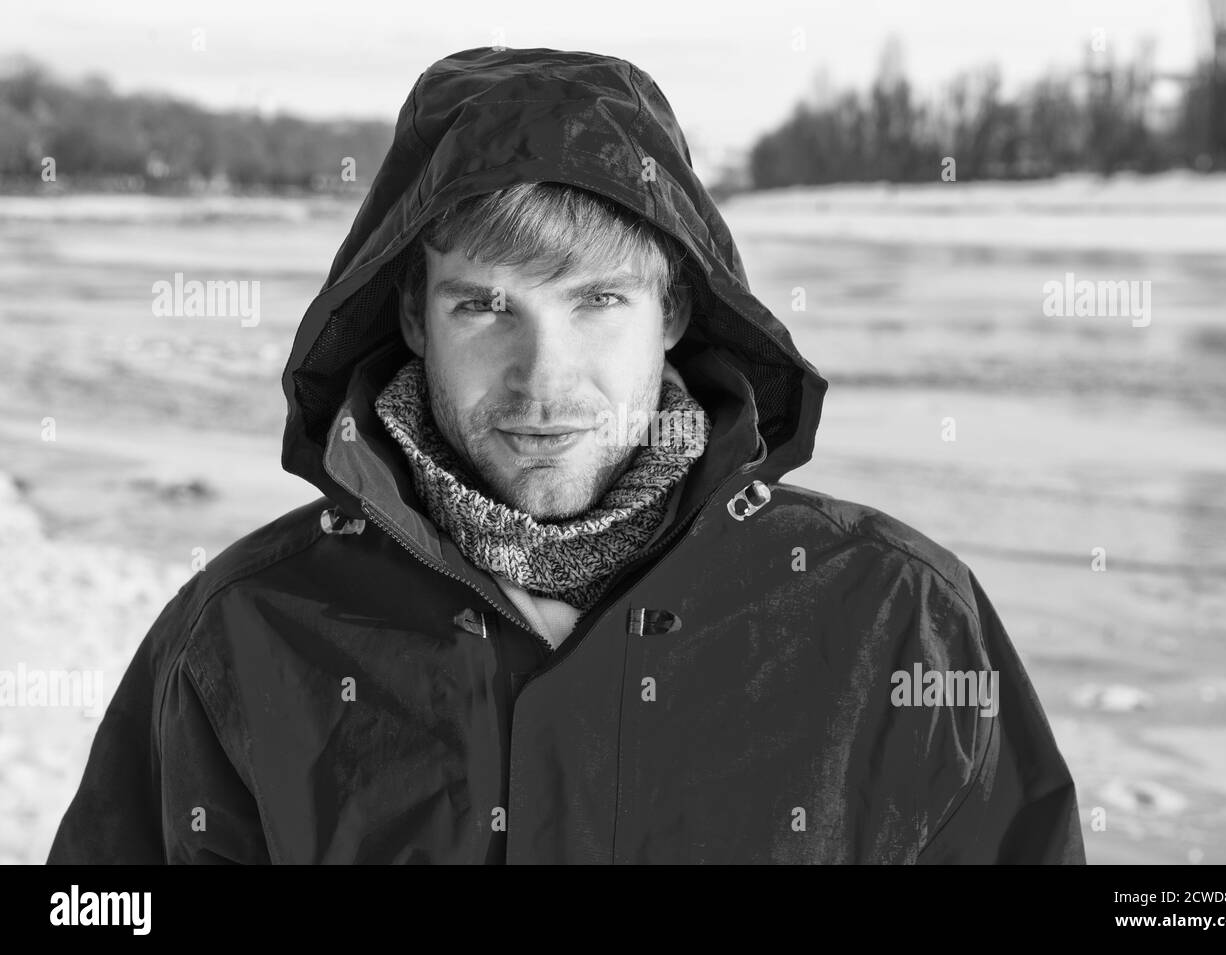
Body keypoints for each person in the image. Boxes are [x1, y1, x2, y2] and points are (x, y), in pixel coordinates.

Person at [47, 46, 1085, 864]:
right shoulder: (246, 636)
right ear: (414, 314)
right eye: (486, 306)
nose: (544, 381)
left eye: (598, 301)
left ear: (673, 307)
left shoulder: (894, 621)